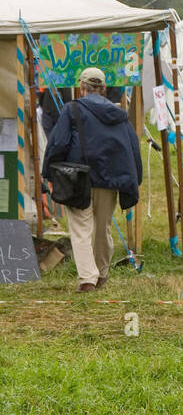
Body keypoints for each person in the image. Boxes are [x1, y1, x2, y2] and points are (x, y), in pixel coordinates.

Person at [43, 66, 142, 294]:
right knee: (102, 228)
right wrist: (133, 179)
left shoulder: (73, 110)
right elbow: (133, 147)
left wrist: (49, 172)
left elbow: (58, 143)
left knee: (81, 228)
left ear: (82, 87)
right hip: (111, 180)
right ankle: (101, 274)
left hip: (78, 179)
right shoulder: (119, 116)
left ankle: (88, 279)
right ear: (104, 89)